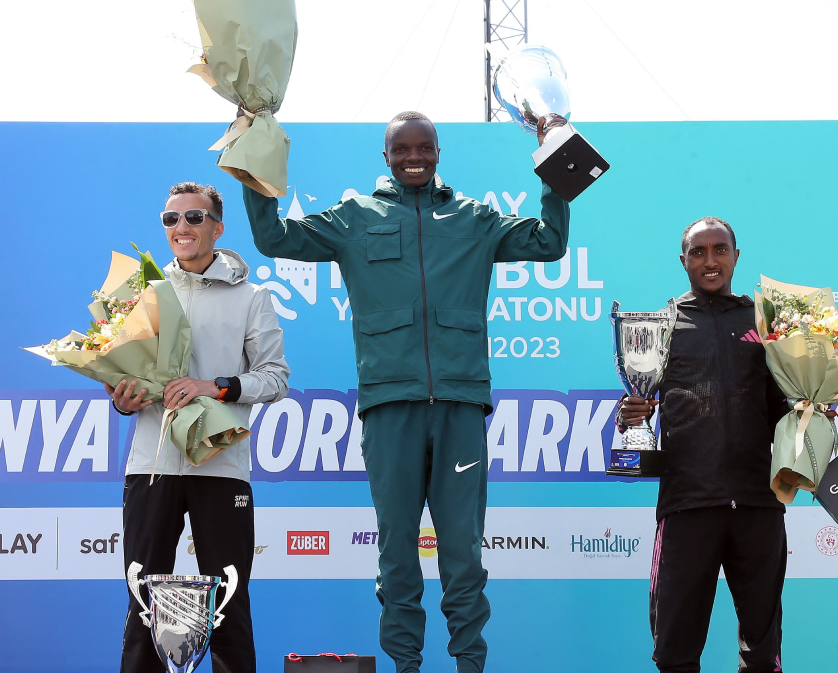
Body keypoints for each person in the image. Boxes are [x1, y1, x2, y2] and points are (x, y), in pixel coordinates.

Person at [242, 111, 569, 673]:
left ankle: (470, 663)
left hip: (461, 406)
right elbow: (273, 237)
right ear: (385, 156)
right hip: (389, 407)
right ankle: (405, 666)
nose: (414, 157)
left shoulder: (474, 218)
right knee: (397, 554)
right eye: (402, 149)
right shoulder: (354, 217)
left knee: (463, 552)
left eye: (424, 147)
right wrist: (255, 154)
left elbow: (549, 242)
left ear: (440, 152)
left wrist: (553, 159)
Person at [109, 181, 290, 673]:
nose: (181, 227)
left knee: (228, 605)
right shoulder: (145, 293)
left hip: (220, 466)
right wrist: (122, 398)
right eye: (171, 219)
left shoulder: (252, 297)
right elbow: (126, 372)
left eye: (193, 218)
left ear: (217, 227)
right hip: (151, 467)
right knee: (144, 604)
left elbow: (275, 379)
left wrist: (215, 386)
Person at [618, 217, 790, 673]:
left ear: (736, 256)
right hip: (688, 504)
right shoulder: (662, 325)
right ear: (683, 261)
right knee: (675, 652)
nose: (710, 261)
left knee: (762, 653)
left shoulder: (766, 322)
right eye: (699, 252)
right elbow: (639, 400)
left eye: (719, 250)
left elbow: (782, 408)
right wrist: (632, 414)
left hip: (758, 503)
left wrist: (813, 410)